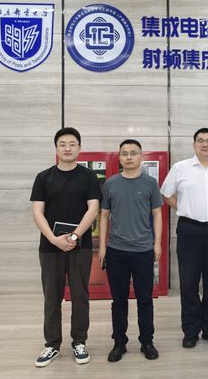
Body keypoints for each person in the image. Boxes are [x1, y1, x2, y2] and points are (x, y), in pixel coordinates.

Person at [30, 127, 101, 367]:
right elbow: (37, 213)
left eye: (72, 144)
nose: (67, 148)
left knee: (80, 296)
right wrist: (53, 238)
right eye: (63, 144)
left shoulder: (88, 177)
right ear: (56, 148)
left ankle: (79, 342)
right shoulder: (43, 177)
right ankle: (52, 345)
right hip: (50, 247)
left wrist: (74, 236)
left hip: (80, 246)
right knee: (52, 297)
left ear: (79, 148)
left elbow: (93, 208)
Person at [160, 128, 208, 349]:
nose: (205, 144)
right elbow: (166, 193)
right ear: (194, 144)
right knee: (188, 283)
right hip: (189, 231)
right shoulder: (181, 168)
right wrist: (183, 207)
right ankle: (191, 330)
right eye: (200, 141)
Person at [99, 139, 163, 362]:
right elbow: (104, 215)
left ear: (141, 156)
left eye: (133, 153)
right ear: (119, 157)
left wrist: (157, 243)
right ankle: (119, 342)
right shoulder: (110, 184)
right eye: (124, 153)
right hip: (116, 250)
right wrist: (102, 247)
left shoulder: (150, 183)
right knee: (119, 300)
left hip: (143, 250)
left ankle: (147, 341)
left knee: (145, 299)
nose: (128, 157)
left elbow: (157, 213)